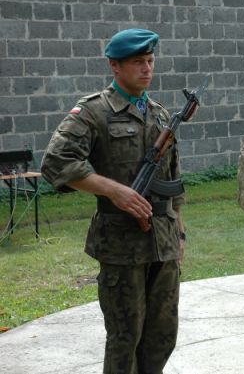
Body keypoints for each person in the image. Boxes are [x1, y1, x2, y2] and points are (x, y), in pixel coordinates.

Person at [41, 28, 186, 374]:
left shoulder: (160, 114)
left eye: (150, 61)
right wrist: (112, 190)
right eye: (138, 62)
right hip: (121, 245)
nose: (147, 69)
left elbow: (173, 178)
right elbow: (56, 162)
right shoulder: (93, 112)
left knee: (162, 335)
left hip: (163, 241)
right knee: (125, 338)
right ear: (115, 66)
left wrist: (180, 233)